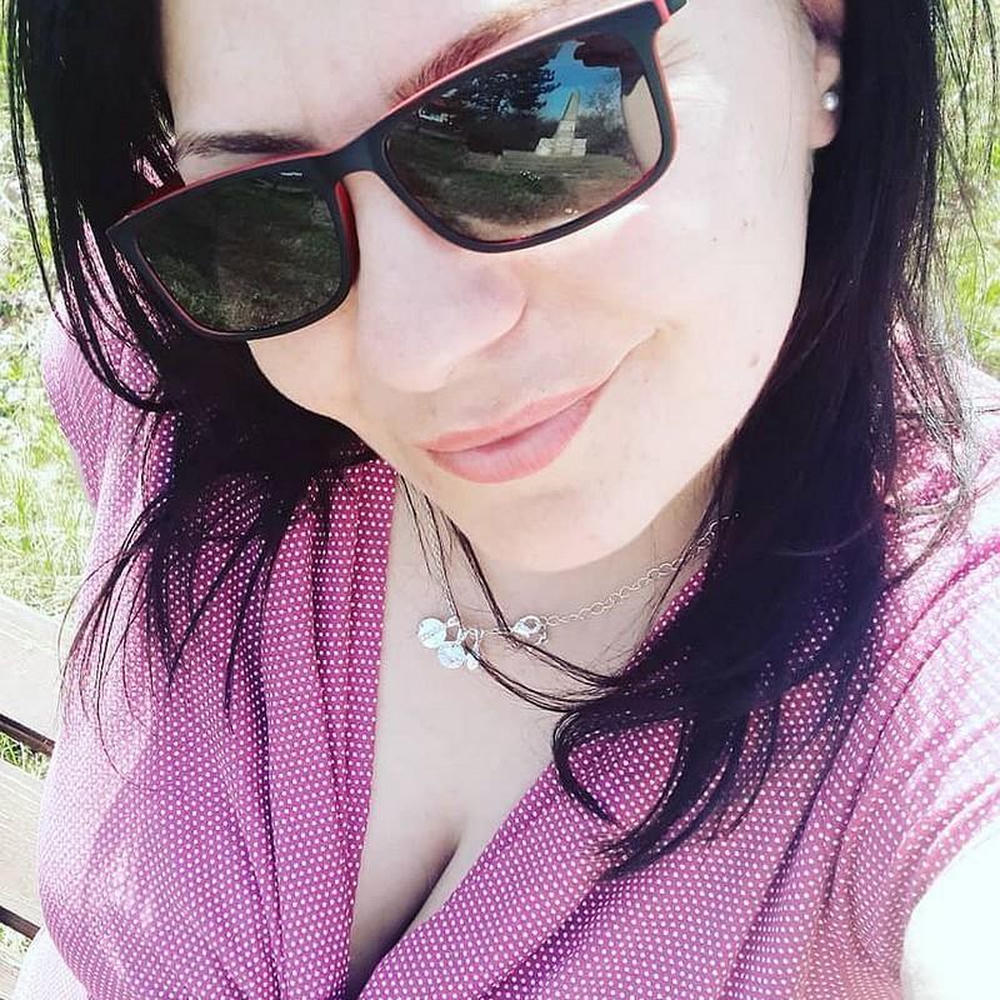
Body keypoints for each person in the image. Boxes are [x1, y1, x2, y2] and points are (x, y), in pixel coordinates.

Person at [6, 0, 1000, 997]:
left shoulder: (945, 654)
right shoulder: (170, 356)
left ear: (821, 25)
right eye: (262, 206)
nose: (414, 350)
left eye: (534, 119)